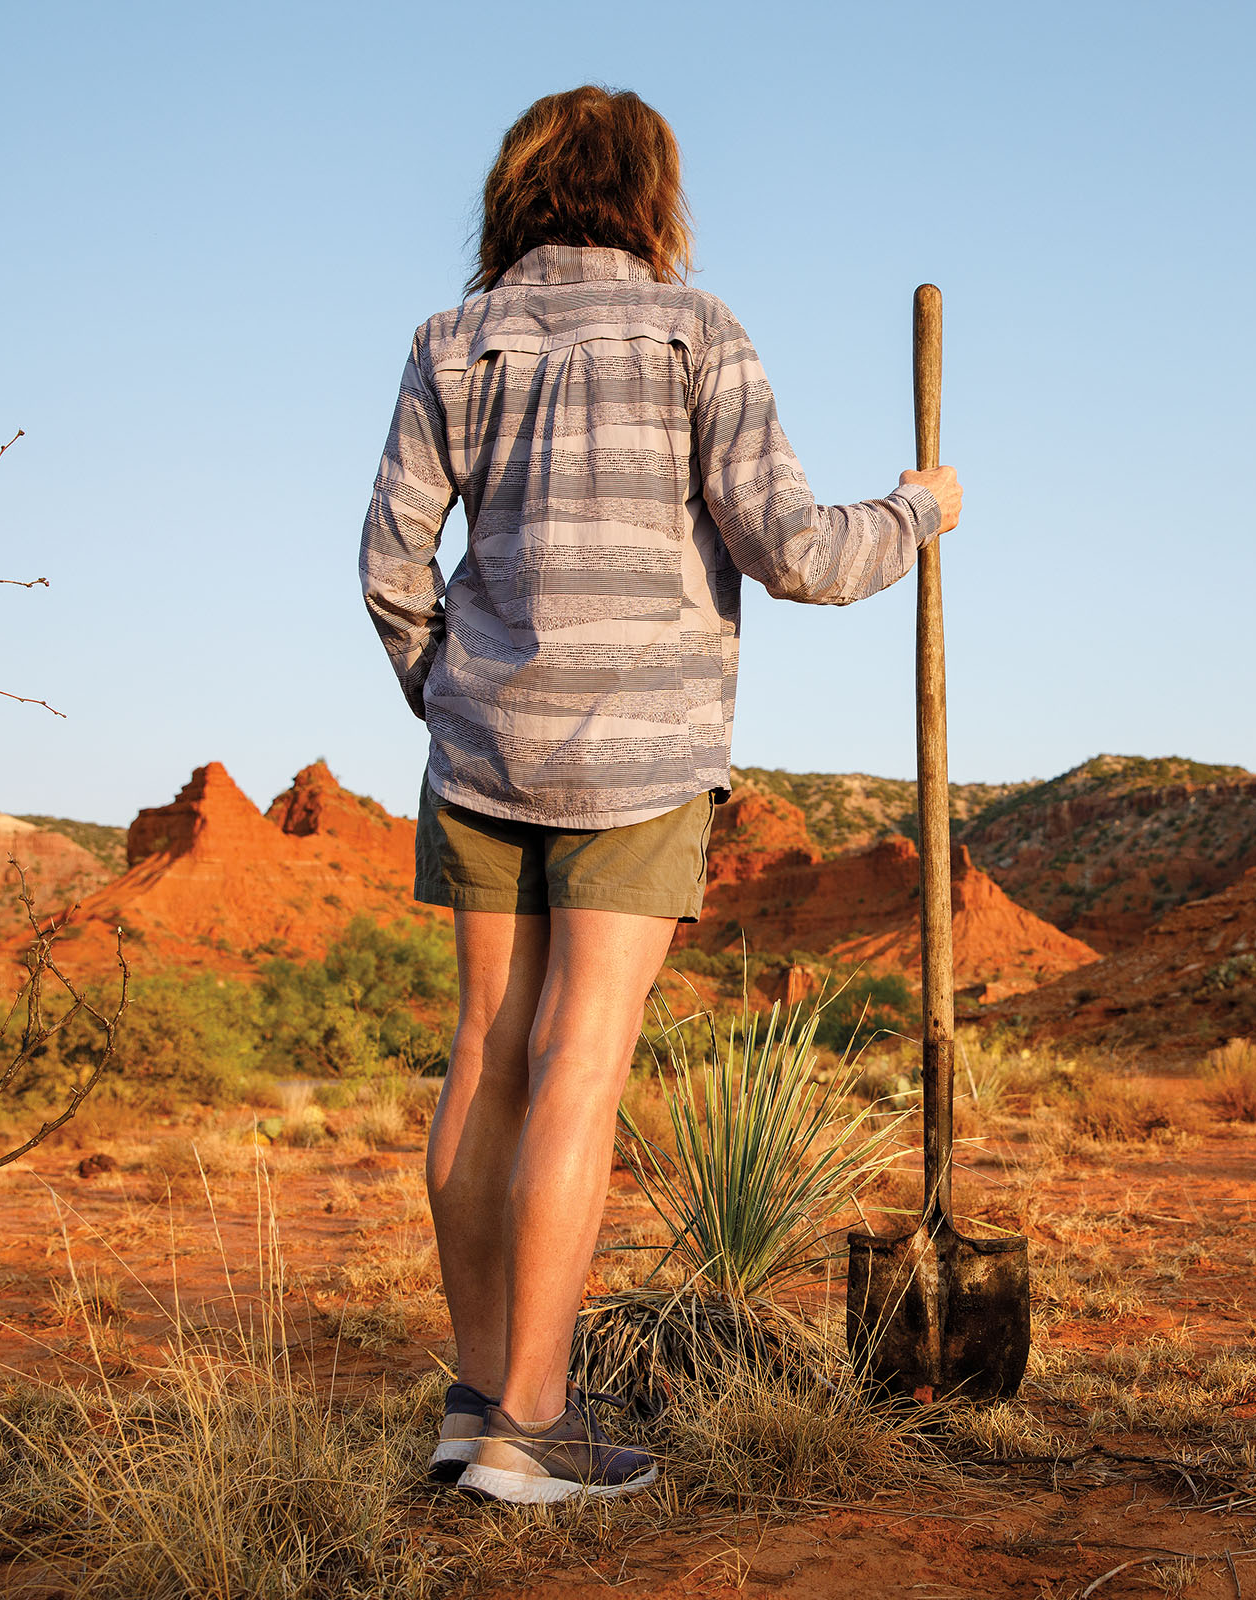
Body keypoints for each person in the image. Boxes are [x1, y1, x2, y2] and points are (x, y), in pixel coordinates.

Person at [358, 85, 961, 1506]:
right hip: (637, 753)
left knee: (486, 1054)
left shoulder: (452, 342)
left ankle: (476, 1398)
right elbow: (799, 552)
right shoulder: (700, 331)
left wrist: (450, 690)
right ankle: (535, 1425)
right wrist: (922, 509)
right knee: (577, 1061)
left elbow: (389, 562)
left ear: (517, 193)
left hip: (482, 747)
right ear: (651, 192)